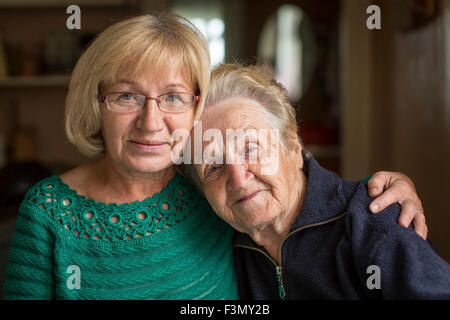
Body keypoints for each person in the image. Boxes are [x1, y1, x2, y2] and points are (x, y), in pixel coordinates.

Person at [3, 13, 425, 300]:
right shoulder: (48, 214)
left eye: (172, 97)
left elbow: (297, 200)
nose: (152, 122)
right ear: (96, 104)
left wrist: (384, 197)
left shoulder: (211, 192)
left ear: (193, 112)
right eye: (126, 95)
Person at [187, 63, 450, 299]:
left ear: (293, 146)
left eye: (250, 149)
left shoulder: (372, 222)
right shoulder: (219, 247)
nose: (238, 179)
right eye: (214, 167)